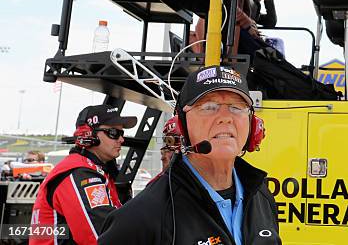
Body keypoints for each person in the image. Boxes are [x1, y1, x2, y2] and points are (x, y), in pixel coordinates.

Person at [98, 65, 281, 244]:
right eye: (209, 107)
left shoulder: (262, 196)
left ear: (253, 124)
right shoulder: (141, 218)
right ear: (182, 126)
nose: (226, 117)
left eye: (237, 107)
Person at [29, 105, 137, 245]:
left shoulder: (96, 170)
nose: (121, 139)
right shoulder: (79, 173)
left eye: (122, 134)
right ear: (89, 134)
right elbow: (101, 238)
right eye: (113, 133)